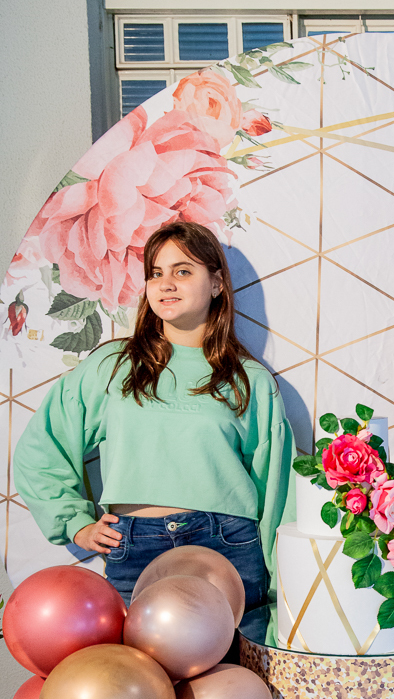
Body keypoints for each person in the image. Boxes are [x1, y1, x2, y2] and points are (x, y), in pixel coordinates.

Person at [14, 220, 294, 645]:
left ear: (217, 283)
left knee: (238, 677)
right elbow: (42, 448)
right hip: (134, 545)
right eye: (156, 273)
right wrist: (74, 522)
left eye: (183, 271)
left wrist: (286, 593)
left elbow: (277, 490)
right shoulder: (113, 366)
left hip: (228, 545)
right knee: (137, 679)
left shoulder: (248, 379)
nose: (166, 283)